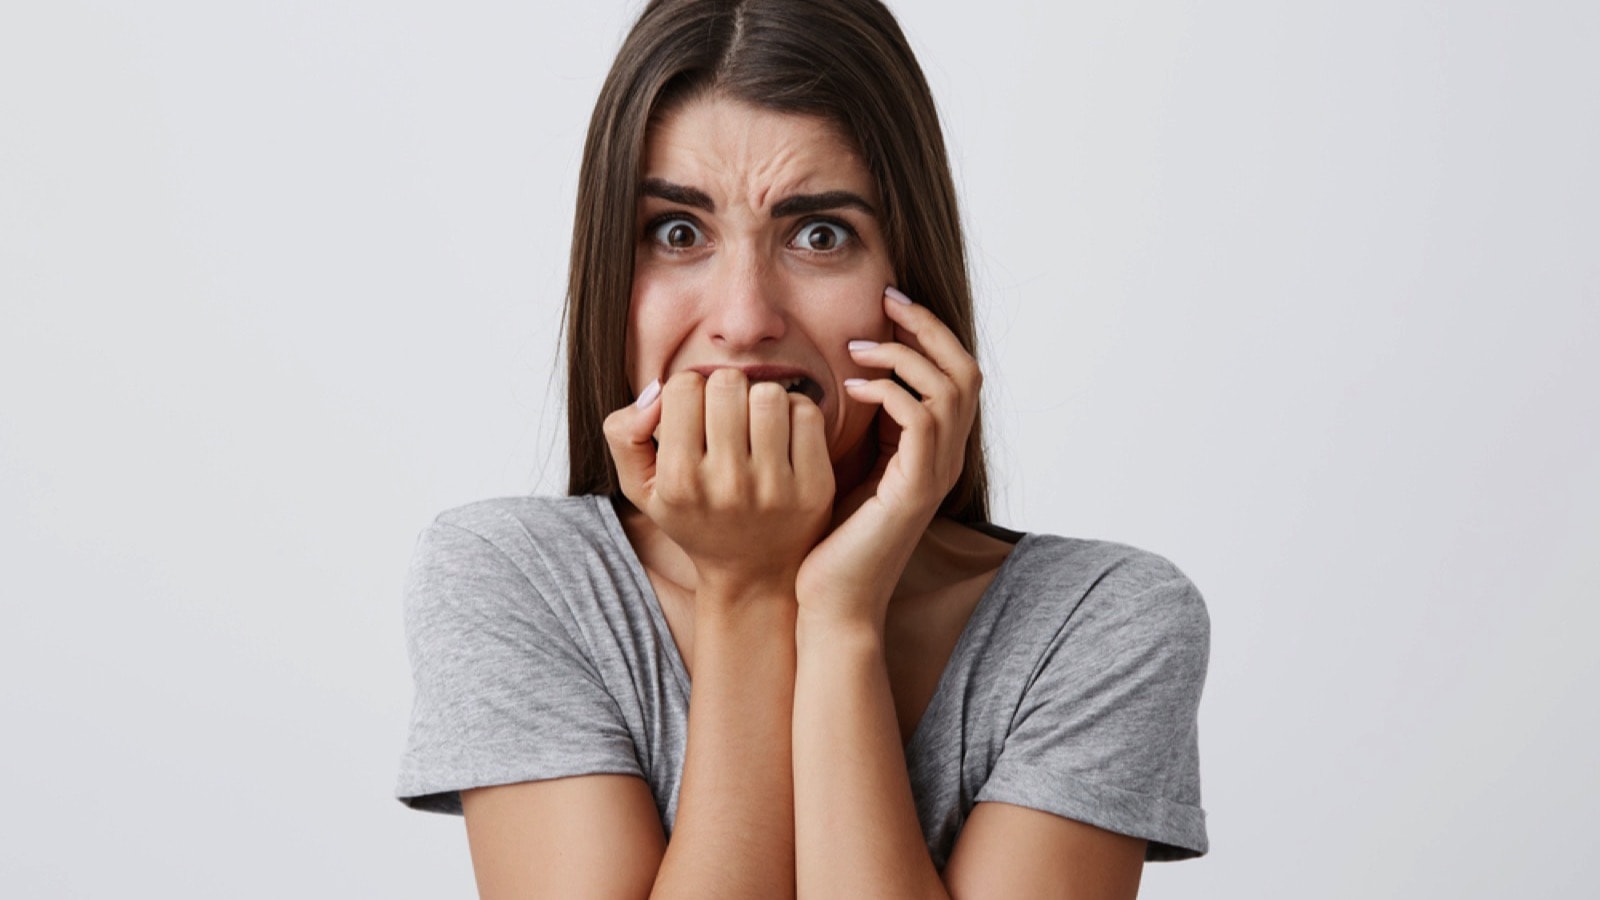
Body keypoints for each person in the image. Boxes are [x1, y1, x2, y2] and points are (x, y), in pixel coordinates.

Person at [395, 0, 1210, 896]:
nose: (744, 320)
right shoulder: (513, 580)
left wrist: (839, 618)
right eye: (678, 233)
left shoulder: (1101, 624)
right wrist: (748, 592)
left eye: (820, 236)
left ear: (912, 284)